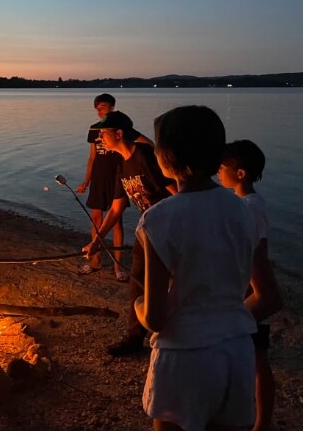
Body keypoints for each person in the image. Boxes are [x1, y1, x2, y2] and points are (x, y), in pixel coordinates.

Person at [133, 106, 280, 430]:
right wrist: (224, 319)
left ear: (165, 157)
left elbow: (156, 318)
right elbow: (265, 294)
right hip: (236, 352)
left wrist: (138, 305)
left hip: (183, 357)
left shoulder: (157, 219)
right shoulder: (244, 212)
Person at [81, 110, 177, 355]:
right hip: (147, 231)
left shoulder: (145, 155)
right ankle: (135, 338)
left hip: (170, 230)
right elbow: (115, 210)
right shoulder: (121, 166)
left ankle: (174, 336)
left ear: (119, 133)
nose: (100, 138)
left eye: (103, 133)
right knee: (137, 282)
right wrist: (96, 242)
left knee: (171, 285)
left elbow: (176, 190)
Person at [218, 140, 283, 430]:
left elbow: (256, 257)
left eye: (223, 167)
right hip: (243, 293)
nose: (218, 171)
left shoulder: (248, 208)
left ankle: (261, 423)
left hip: (248, 296)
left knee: (256, 362)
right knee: (254, 359)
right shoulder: (248, 204)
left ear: (240, 173)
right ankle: (257, 421)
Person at [76, 94, 152, 280]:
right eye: (97, 108)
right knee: (98, 218)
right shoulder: (95, 130)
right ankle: (95, 261)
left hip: (118, 178)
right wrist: (87, 181)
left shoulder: (124, 133)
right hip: (100, 178)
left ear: (112, 107)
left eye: (103, 106)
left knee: (116, 221)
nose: (100, 110)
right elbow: (92, 158)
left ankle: (117, 266)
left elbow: (148, 145)